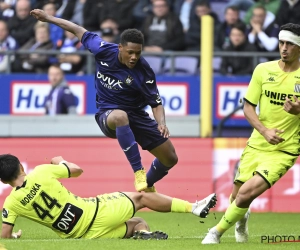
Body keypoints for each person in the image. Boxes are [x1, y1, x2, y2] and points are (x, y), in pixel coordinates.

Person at [30, 9, 178, 192]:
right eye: (130, 52)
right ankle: (138, 172)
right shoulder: (103, 50)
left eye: (138, 53)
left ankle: (146, 185)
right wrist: (48, 18)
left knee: (170, 158)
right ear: (120, 47)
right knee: (120, 116)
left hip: (136, 114)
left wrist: (161, 123)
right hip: (108, 113)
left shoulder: (144, 71)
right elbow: (77, 29)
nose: (134, 57)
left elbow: (155, 102)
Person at [202, 22, 300, 244]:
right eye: (281, 42)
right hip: (258, 142)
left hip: (285, 149)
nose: (284, 48)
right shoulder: (263, 70)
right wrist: (264, 131)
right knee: (237, 196)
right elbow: (248, 107)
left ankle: (215, 232)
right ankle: (242, 219)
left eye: (290, 44)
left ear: (299, 48)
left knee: (246, 194)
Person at [0, 154, 217, 239]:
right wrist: (60, 161)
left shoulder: (11, 203)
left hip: (83, 237)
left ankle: (142, 236)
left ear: (3, 181)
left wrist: (15, 237)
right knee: (141, 198)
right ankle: (194, 207)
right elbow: (77, 170)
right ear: (20, 166)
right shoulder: (40, 172)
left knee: (138, 223)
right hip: (94, 213)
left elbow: (5, 234)